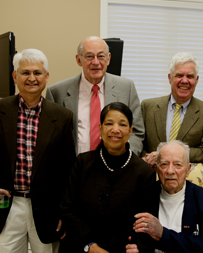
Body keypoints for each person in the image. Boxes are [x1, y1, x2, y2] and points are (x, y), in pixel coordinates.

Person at [0, 49, 76, 253]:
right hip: (7, 206)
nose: (31, 78)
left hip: (47, 209)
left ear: (46, 77)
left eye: (37, 73)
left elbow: (67, 170)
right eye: (25, 72)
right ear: (15, 76)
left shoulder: (62, 116)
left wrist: (64, 212)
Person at [60, 102, 156, 253]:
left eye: (122, 125)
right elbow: (67, 209)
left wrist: (138, 246)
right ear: (100, 128)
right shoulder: (83, 163)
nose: (115, 130)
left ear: (130, 131)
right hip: (81, 245)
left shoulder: (144, 172)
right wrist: (90, 246)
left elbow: (144, 220)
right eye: (109, 123)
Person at [46, 36, 144, 156]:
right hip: (74, 170)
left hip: (116, 170)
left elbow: (137, 133)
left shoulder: (126, 88)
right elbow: (52, 139)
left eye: (101, 56)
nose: (96, 62)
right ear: (78, 60)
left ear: (108, 59)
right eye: (89, 56)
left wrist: (123, 161)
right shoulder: (57, 92)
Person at [126, 140, 203, 253]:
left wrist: (162, 234)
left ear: (188, 169)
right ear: (157, 168)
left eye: (177, 165)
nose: (170, 171)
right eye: (164, 164)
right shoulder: (141, 197)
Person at [141, 52, 203, 168]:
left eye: (190, 76)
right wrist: (146, 158)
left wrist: (163, 155)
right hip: (150, 176)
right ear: (169, 78)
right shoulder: (148, 107)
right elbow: (139, 143)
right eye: (179, 75)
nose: (184, 81)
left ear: (196, 80)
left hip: (186, 180)